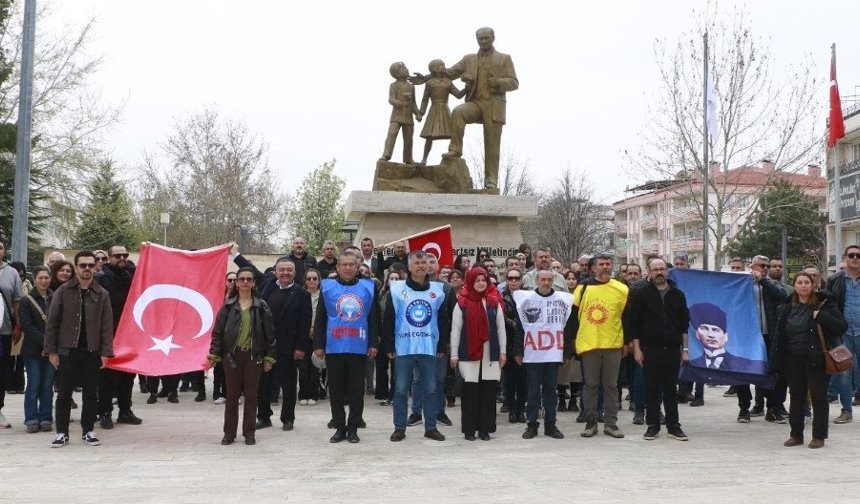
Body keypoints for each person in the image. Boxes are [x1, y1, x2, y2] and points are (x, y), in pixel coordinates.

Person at [44, 251, 114, 448]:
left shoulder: (102, 294)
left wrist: (106, 352)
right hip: (67, 350)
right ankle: (62, 433)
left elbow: (107, 326)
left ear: (95, 267)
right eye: (83, 265)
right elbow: (52, 323)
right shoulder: (63, 291)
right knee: (64, 393)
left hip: (92, 351)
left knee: (91, 393)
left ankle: (88, 430)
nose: (87, 269)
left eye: (91, 265)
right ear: (76, 267)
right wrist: (51, 351)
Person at [772, 272, 846, 449]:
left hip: (817, 358)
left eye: (807, 282)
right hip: (793, 358)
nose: (803, 285)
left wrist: (821, 316)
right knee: (796, 397)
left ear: (813, 285)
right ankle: (796, 434)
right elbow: (779, 336)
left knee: (819, 397)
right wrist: (775, 360)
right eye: (799, 282)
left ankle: (819, 436)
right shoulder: (786, 307)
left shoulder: (825, 304)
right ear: (794, 285)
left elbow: (841, 326)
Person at [438, 27, 519, 190]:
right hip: (475, 103)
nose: (483, 41)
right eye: (480, 39)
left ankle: (491, 179)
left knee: (492, 144)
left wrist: (499, 83)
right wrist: (430, 74)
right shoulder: (469, 59)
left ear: (493, 38)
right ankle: (455, 149)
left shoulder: (504, 58)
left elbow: (514, 82)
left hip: (494, 106)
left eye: (486, 38)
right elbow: (448, 73)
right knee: (458, 111)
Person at [313, 252, 380, 444]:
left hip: (359, 347)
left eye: (352, 264)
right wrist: (318, 344)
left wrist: (374, 343)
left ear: (358, 266)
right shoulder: (327, 287)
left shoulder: (368, 287)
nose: (348, 268)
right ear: (338, 267)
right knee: (335, 390)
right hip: (334, 347)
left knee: (356, 390)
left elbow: (374, 318)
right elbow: (320, 318)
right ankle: (339, 428)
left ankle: (353, 428)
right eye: (344, 264)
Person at [384, 251, 449, 442]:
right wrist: (388, 345)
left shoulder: (438, 290)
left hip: (429, 347)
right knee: (401, 389)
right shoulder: (396, 290)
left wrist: (442, 345)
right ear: (409, 266)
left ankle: (430, 427)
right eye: (417, 262)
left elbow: (443, 320)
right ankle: (399, 427)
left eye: (424, 262)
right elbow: (388, 319)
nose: (421, 265)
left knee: (431, 388)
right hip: (403, 348)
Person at [207, 267, 276, 445]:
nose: (245, 282)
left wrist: (269, 357)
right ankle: (229, 433)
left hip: (254, 357)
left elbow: (270, 335)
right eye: (242, 279)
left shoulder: (261, 306)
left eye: (249, 279)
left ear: (254, 283)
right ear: (236, 283)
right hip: (232, 357)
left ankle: (249, 433)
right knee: (231, 396)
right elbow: (217, 333)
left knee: (252, 396)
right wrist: (215, 354)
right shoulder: (228, 307)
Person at [625, 258, 691, 441]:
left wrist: (684, 350)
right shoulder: (641, 294)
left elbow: (684, 326)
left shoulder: (678, 295)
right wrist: (637, 350)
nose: (659, 272)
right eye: (655, 269)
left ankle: (673, 426)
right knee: (651, 388)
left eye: (662, 269)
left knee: (671, 388)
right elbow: (634, 325)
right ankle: (653, 425)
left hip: (671, 349)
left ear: (667, 271)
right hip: (649, 349)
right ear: (649, 272)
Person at [512, 269, 575, 440]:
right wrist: (518, 350)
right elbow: (521, 328)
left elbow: (567, 329)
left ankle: (550, 424)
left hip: (554, 354)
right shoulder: (526, 300)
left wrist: (567, 353)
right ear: (537, 281)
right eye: (543, 279)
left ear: (553, 281)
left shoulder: (563, 301)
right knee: (533, 391)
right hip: (533, 354)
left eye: (549, 279)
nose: (546, 283)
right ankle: (532, 424)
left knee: (550, 391)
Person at [574, 253, 629, 439]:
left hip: (613, 344)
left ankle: (611, 424)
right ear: (593, 268)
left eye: (608, 264)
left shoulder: (621, 289)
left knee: (612, 386)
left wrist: (627, 342)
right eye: (601, 264)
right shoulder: (583, 288)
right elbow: (573, 318)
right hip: (589, 345)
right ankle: (591, 422)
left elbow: (626, 318)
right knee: (590, 385)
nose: (605, 267)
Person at [451, 267, 507, 440]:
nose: (481, 283)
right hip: (469, 354)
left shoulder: (493, 302)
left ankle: (485, 429)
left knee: (488, 393)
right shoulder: (462, 303)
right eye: (477, 280)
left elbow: (501, 329)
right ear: (470, 282)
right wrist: (454, 354)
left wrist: (503, 352)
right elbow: (456, 329)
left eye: (484, 280)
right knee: (470, 393)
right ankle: (469, 430)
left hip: (490, 354)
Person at [96, 245, 143, 429]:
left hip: (129, 335)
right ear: (109, 258)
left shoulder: (129, 276)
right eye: (118, 255)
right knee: (107, 378)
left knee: (127, 377)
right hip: (109, 334)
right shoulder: (100, 278)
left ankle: (125, 410)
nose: (122, 258)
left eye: (125, 255)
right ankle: (105, 412)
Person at [825, 245, 860, 425]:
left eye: (858, 255)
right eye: (851, 255)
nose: (855, 258)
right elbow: (829, 306)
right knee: (844, 373)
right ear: (845, 258)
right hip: (843, 333)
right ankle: (846, 410)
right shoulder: (834, 280)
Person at [19, 266, 55, 432]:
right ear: (34, 279)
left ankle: (46, 417)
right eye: (40, 278)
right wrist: (45, 342)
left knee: (47, 386)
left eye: (46, 278)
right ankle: (31, 418)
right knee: (33, 385)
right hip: (32, 350)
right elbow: (27, 326)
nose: (43, 281)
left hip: (52, 350)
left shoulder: (55, 298)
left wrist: (51, 345)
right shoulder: (26, 300)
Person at [688, 303, 767, 374]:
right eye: (704, 328)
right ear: (697, 334)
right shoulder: (693, 363)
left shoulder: (745, 364)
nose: (710, 335)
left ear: (726, 336)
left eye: (716, 330)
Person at [417, 59, 466, 166]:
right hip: (433, 110)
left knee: (453, 134)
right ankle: (424, 159)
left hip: (445, 109)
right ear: (435, 69)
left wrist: (467, 88)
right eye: (441, 65)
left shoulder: (448, 82)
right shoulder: (429, 83)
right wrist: (421, 113)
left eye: (444, 64)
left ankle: (453, 154)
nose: (444, 67)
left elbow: (458, 95)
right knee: (429, 136)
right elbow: (425, 100)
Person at [0, 239, 23, 429]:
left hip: (4, 330)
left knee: (1, 371)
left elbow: (16, 301)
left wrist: (17, 326)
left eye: (0, 247)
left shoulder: (11, 273)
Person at [380, 61, 420, 164]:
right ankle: (386, 154)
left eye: (406, 67)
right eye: (403, 68)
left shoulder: (411, 87)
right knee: (392, 134)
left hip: (408, 117)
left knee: (408, 139)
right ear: (397, 74)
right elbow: (391, 99)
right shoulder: (393, 85)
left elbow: (414, 103)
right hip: (396, 116)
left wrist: (418, 113)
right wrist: (397, 102)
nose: (406, 69)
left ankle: (408, 158)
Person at [501, 266, 527, 423]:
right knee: (509, 379)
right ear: (506, 280)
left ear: (521, 280)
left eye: (516, 278)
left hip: (526, 343)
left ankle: (521, 409)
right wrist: (516, 324)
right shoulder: (501, 298)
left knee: (524, 380)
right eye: (510, 278)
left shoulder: (528, 296)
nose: (513, 281)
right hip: (508, 341)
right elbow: (501, 317)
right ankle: (511, 409)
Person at [298, 268, 322, 407]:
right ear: (305, 281)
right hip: (302, 335)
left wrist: (316, 329)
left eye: (314, 278)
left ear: (319, 281)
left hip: (318, 335)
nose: (312, 281)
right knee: (303, 365)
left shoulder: (323, 296)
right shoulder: (300, 294)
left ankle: (313, 394)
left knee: (315, 366)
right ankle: (303, 394)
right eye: (309, 279)